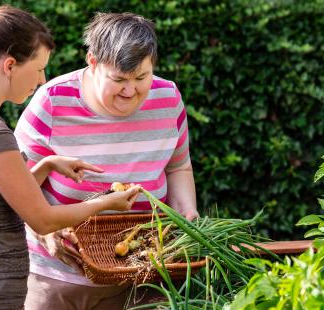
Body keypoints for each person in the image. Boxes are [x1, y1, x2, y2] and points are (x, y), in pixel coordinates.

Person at [0, 3, 140, 310]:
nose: (41, 80)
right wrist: (107, 203)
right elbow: (41, 218)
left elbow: (2, 198)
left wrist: (48, 164)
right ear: (10, 65)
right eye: (39, 69)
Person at [14, 12, 199, 310]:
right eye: (119, 79)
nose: (130, 91)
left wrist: (187, 209)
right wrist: (44, 230)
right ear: (93, 62)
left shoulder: (168, 99)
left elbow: (178, 167)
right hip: (59, 278)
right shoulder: (52, 101)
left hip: (144, 273)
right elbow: (15, 186)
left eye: (141, 78)